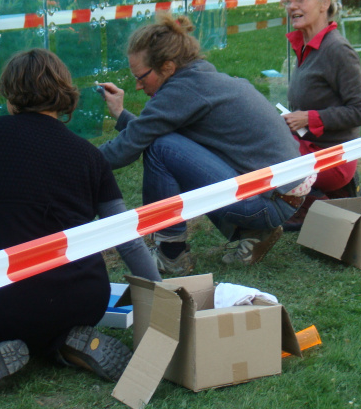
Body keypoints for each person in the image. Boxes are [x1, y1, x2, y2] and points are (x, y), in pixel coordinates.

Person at [0, 49, 161, 406]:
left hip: (8, 302)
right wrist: (167, 299)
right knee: (51, 323)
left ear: (10, 93)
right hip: (86, 300)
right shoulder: (89, 155)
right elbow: (128, 241)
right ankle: (65, 346)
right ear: (64, 95)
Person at [97, 14, 313, 275]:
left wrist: (74, 159)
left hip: (268, 202)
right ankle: (253, 232)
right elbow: (151, 130)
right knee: (169, 145)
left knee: (160, 148)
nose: (137, 84)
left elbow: (127, 148)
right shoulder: (198, 78)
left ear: (167, 67)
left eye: (142, 77)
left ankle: (171, 254)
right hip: (281, 195)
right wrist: (122, 115)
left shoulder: (182, 91)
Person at [278, 0, 361, 231]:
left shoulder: (337, 50)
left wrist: (309, 118)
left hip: (333, 159)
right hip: (309, 147)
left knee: (265, 153)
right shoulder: (305, 46)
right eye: (288, 1)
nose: (292, 7)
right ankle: (312, 199)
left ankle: (311, 202)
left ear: (324, 3)